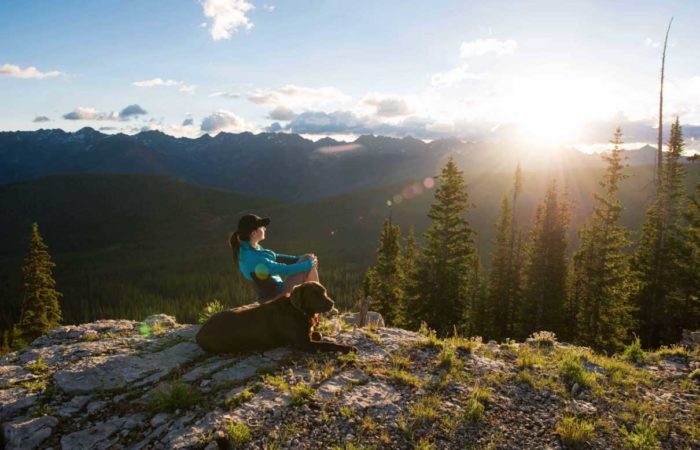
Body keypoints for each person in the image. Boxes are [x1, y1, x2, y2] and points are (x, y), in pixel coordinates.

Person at [229, 213, 320, 302]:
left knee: (307, 257)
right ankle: (320, 303)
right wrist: (309, 264)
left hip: (278, 289)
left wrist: (298, 259)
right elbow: (284, 270)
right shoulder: (253, 258)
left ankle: (315, 301)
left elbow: (275, 256)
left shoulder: (249, 248)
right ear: (253, 233)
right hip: (276, 296)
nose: (264, 228)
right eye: (261, 227)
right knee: (309, 261)